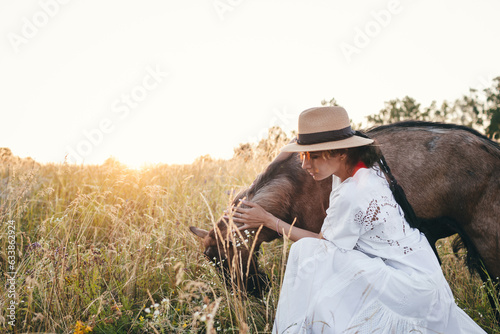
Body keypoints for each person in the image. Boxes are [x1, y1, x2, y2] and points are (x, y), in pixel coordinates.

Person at [229, 106, 486, 333]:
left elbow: (323, 242)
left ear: (340, 153)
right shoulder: (365, 166)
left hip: (406, 284)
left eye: (314, 156)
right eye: (303, 156)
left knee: (307, 252)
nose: (305, 165)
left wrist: (267, 219)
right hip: (422, 270)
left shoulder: (352, 194)